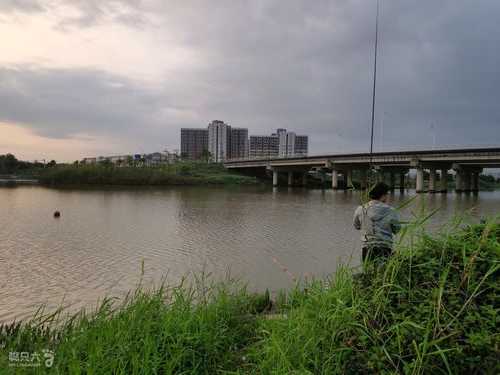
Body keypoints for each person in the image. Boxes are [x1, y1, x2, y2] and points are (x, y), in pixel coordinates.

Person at [353, 182, 401, 263]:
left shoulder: (361, 209)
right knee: (383, 274)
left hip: (367, 248)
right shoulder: (391, 211)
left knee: (368, 273)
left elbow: (356, 226)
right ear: (383, 195)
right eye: (387, 194)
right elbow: (397, 230)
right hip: (385, 247)